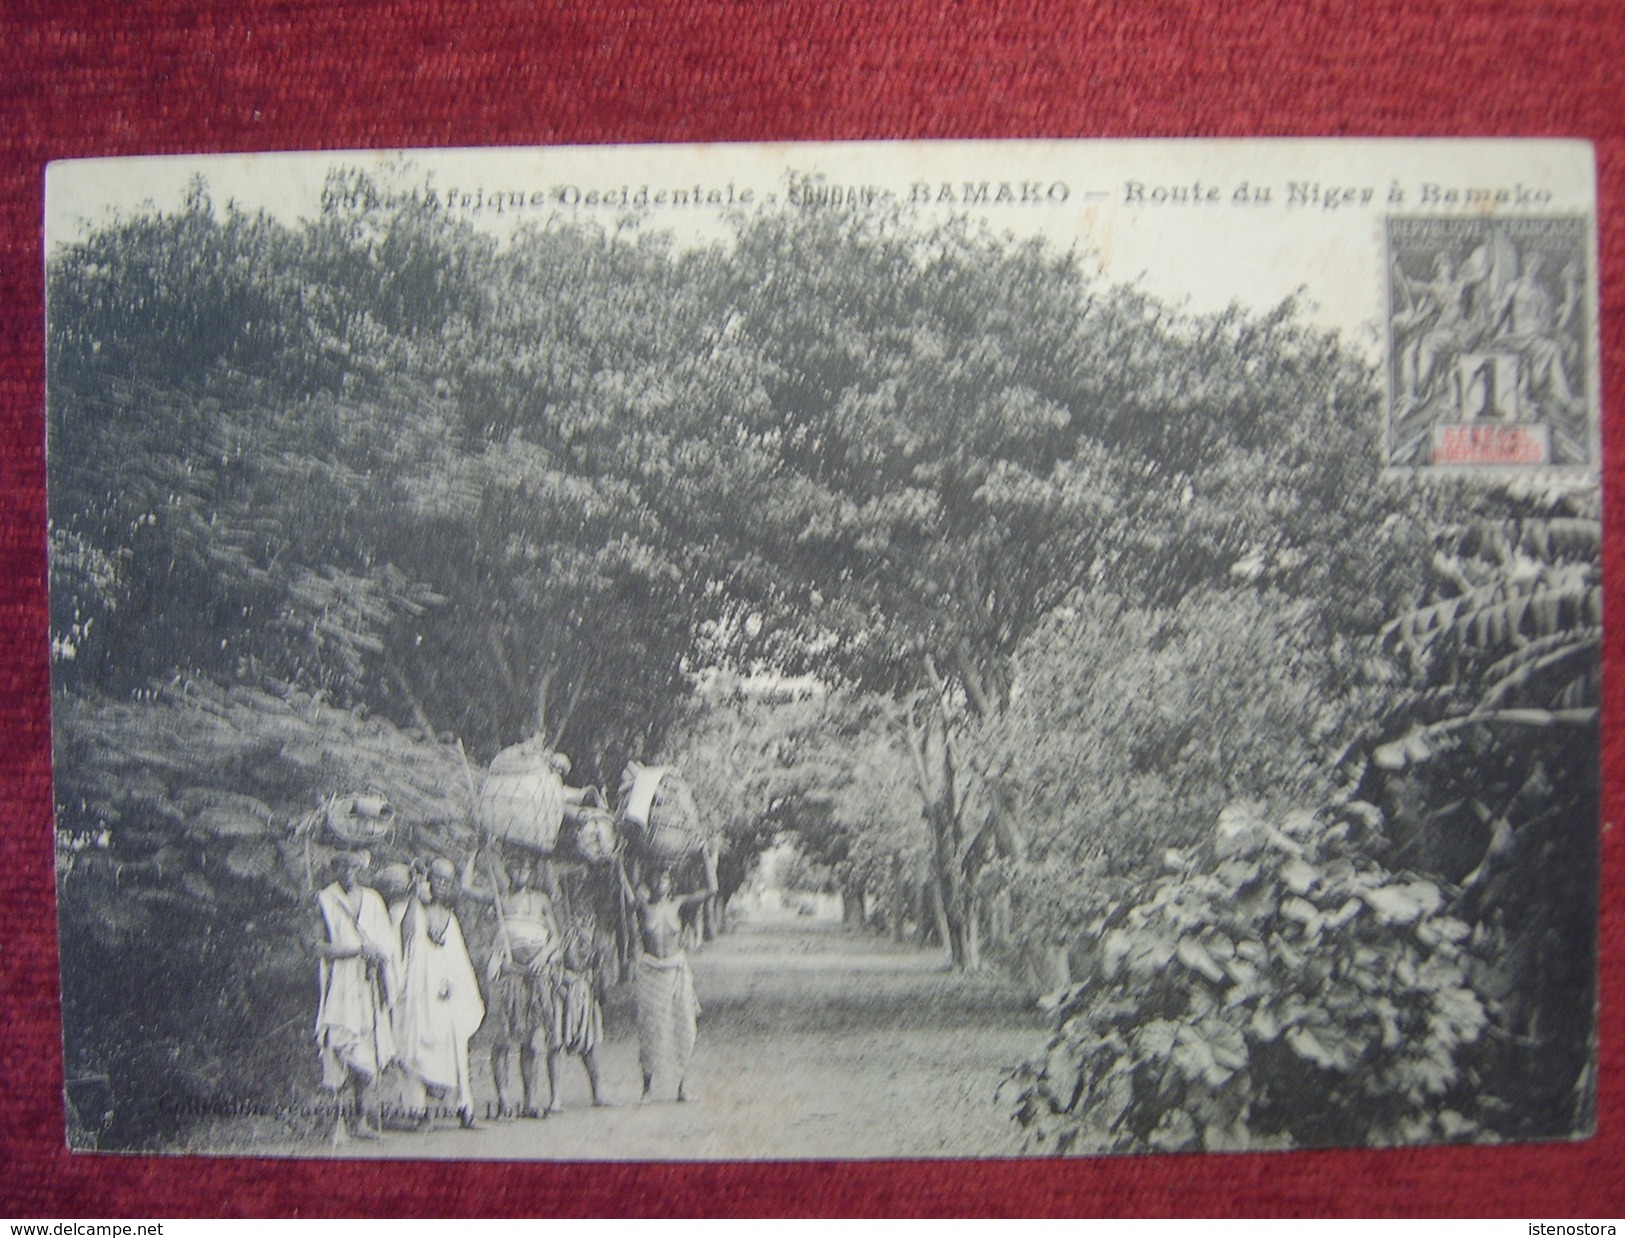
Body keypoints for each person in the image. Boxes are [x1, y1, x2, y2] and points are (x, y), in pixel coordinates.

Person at [311, 849, 398, 1142]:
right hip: (340, 983)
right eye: (341, 866)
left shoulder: (373, 900)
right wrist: (357, 950)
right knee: (338, 1047)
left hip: (367, 982)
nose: (347, 872)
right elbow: (319, 947)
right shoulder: (325, 899)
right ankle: (336, 1123)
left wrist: (377, 954)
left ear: (360, 869)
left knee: (367, 1053)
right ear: (334, 868)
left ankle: (360, 1121)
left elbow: (388, 943)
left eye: (352, 866)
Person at [393, 855, 486, 1129]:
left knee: (456, 1050)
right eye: (438, 879)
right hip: (418, 994)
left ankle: (464, 1110)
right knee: (415, 1048)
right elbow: (406, 941)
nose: (443, 885)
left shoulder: (450, 919)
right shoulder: (409, 910)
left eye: (448, 880)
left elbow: (459, 962)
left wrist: (452, 986)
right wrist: (414, 895)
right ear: (428, 879)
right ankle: (418, 1113)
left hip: (445, 998)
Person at [621, 842, 718, 1104]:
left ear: (670, 882)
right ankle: (647, 1089)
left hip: (676, 970)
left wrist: (704, 855)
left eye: (664, 877)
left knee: (683, 1026)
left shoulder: (679, 904)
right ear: (650, 881)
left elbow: (712, 889)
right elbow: (626, 891)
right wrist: (619, 860)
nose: (660, 881)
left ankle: (681, 1088)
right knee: (651, 1029)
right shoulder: (643, 907)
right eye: (656, 877)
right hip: (651, 972)